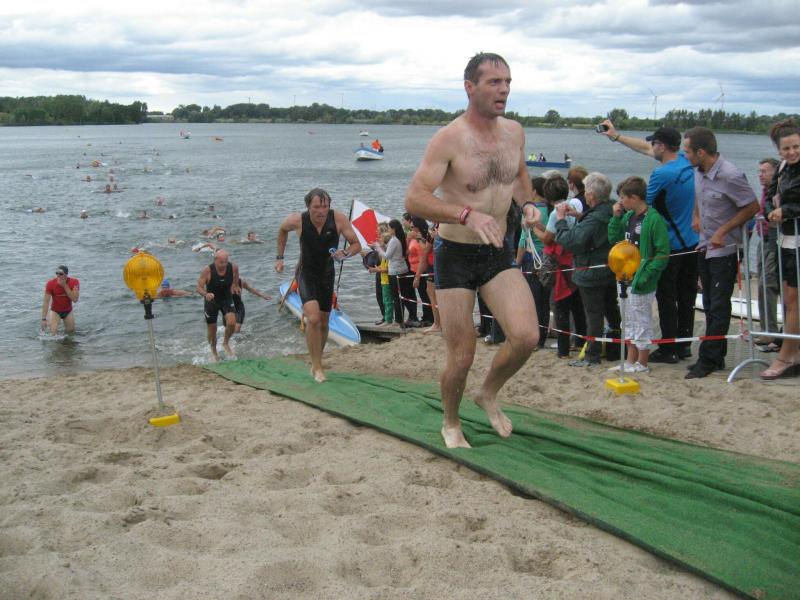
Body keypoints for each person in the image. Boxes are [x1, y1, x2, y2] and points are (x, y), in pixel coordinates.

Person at [404, 52, 538, 449]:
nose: (504, 90)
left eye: (508, 82)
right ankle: (450, 421)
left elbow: (520, 177)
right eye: (494, 82)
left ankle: (488, 393)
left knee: (526, 337)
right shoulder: (449, 138)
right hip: (456, 254)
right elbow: (415, 198)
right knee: (462, 355)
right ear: (469, 87)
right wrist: (465, 214)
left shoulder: (514, 132)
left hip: (497, 252)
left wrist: (529, 204)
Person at [600, 122, 698, 365]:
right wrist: (616, 136)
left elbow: (642, 204)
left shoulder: (662, 174)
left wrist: (618, 211)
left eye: (654, 143)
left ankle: (668, 348)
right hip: (692, 241)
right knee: (687, 298)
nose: (650, 147)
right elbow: (645, 148)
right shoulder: (685, 160)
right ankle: (683, 345)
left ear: (662, 147)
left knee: (667, 299)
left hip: (671, 243)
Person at [683, 127, 759, 379]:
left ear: (701, 152)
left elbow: (752, 206)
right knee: (707, 302)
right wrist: (696, 214)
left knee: (718, 304)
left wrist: (723, 230)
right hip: (705, 244)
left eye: (687, 151)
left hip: (725, 249)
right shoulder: (698, 172)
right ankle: (716, 356)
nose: (685, 155)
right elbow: (699, 194)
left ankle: (708, 359)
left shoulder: (730, 174)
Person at [275, 188, 361, 382]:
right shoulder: (298, 220)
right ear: (308, 206)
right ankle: (317, 366)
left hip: (327, 274)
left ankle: (317, 360)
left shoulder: (338, 219)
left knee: (323, 322)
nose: (321, 211)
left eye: (325, 206)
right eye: (316, 207)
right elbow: (282, 230)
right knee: (313, 318)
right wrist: (280, 258)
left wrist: (345, 253)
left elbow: (356, 244)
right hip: (306, 273)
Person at [554, 172, 621, 367]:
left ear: (591, 195)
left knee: (594, 314)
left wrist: (560, 219)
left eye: (586, 192)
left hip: (591, 271)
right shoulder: (611, 209)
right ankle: (615, 349)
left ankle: (592, 354)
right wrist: (580, 216)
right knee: (611, 309)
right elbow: (595, 226)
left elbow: (571, 241)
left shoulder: (596, 218)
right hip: (609, 268)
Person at [608, 176, 671, 373]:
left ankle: (642, 362)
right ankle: (630, 360)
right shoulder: (628, 216)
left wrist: (646, 275)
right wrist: (616, 218)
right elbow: (614, 238)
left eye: (623, 198)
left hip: (641, 279)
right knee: (627, 319)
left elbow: (662, 252)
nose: (620, 202)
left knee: (641, 319)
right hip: (624, 276)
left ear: (634, 198)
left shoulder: (653, 219)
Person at [762, 118, 800, 379]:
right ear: (779, 150)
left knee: (794, 300)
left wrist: (786, 211)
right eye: (787, 148)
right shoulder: (783, 168)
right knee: (789, 299)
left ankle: (786, 356)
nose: (792, 152)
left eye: (796, 146)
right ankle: (793, 351)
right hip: (787, 239)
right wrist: (770, 213)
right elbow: (769, 195)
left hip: (797, 238)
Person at [516, 176, 550, 348]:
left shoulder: (531, 212)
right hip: (548, 257)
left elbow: (524, 239)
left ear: (534, 191)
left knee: (533, 299)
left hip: (532, 257)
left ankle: (534, 337)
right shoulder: (550, 210)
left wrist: (517, 262)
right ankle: (542, 336)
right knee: (544, 300)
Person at [753, 158, 781, 349]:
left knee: (767, 284)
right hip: (763, 240)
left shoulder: (778, 191)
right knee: (763, 285)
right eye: (759, 171)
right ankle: (767, 329)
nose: (760, 175)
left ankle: (770, 331)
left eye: (765, 171)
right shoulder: (766, 191)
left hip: (774, 240)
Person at [196, 249, 240, 362]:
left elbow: (236, 276)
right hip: (212, 301)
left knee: (232, 323)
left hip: (226, 298)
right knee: (212, 331)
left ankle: (225, 343)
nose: (224, 265)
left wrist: (235, 285)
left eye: (225, 262)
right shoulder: (207, 270)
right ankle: (213, 350)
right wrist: (206, 294)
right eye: (221, 262)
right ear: (215, 260)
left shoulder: (233, 267)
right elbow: (198, 288)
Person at [373, 219, 418, 327]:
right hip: (400, 269)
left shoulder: (394, 240)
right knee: (399, 296)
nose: (388, 230)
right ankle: (400, 319)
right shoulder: (397, 239)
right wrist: (382, 246)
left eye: (389, 228)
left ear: (394, 229)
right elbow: (392, 251)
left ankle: (398, 320)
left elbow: (387, 256)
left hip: (396, 271)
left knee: (397, 297)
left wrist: (377, 247)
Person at [409, 217, 435, 326]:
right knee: (425, 295)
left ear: (418, 227)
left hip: (427, 267)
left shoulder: (426, 235)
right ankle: (427, 317)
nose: (411, 230)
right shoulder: (416, 237)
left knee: (427, 295)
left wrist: (417, 277)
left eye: (412, 227)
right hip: (420, 267)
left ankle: (430, 319)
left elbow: (424, 253)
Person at [41, 266, 79, 335]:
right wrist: (43, 319)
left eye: (61, 274)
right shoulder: (50, 283)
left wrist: (64, 285)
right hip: (55, 311)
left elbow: (75, 299)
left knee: (71, 332)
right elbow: (46, 301)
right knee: (53, 333)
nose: (58, 276)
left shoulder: (74, 282)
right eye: (57, 273)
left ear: (66, 274)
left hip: (68, 311)